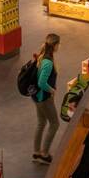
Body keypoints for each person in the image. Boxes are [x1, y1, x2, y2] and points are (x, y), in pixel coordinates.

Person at [31, 34, 61, 165]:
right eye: (59, 44)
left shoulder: (42, 56)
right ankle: (44, 154)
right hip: (44, 98)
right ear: (55, 45)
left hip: (37, 97)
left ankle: (36, 152)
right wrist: (52, 90)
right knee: (54, 124)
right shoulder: (48, 63)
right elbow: (41, 82)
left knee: (41, 123)